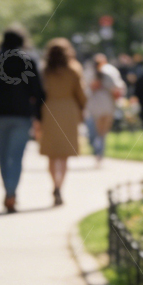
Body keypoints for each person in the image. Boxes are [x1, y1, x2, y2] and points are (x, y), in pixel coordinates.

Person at [0, 24, 46, 212]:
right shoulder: (29, 60)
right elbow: (38, 92)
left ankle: (8, 190)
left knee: (3, 156)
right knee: (17, 156)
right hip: (22, 115)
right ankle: (12, 192)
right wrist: (38, 117)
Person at [37, 38, 86, 206]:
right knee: (64, 154)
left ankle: (54, 184)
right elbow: (80, 93)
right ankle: (59, 186)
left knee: (52, 153)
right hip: (68, 110)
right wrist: (83, 107)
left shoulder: (44, 70)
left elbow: (40, 92)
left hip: (50, 109)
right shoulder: (74, 69)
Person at [84, 53, 124, 165]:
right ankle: (99, 153)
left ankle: (98, 152)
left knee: (97, 132)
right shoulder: (108, 73)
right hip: (103, 107)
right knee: (100, 133)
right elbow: (117, 89)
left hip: (97, 107)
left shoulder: (94, 73)